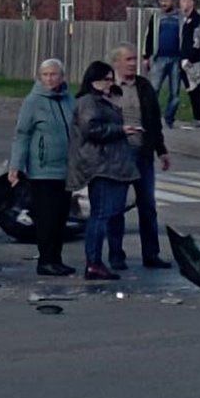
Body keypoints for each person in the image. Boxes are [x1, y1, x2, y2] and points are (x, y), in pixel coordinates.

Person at [66, 60, 140, 281]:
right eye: (106, 79)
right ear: (94, 80)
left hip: (110, 164)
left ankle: (98, 261)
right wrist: (121, 129)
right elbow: (92, 128)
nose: (110, 83)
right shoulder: (88, 101)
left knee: (108, 213)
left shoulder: (102, 99)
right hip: (102, 166)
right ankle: (94, 262)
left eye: (111, 79)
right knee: (100, 215)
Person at [7, 58, 77, 276]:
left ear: (62, 77)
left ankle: (56, 258)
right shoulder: (33, 101)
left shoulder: (68, 100)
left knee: (60, 216)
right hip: (42, 169)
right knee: (46, 218)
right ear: (39, 77)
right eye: (45, 75)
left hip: (66, 170)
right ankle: (45, 261)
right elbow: (22, 135)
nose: (49, 79)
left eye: (54, 74)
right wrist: (15, 166)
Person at [109, 43, 173, 269]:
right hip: (118, 155)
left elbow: (154, 120)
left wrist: (161, 149)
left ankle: (151, 254)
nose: (132, 63)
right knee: (116, 207)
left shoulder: (144, 86)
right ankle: (116, 254)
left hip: (142, 153)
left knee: (147, 205)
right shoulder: (108, 87)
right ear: (116, 63)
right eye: (127, 59)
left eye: (134, 59)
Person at [143, 0, 182, 129]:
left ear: (173, 1)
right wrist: (146, 56)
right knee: (154, 90)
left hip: (176, 59)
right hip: (159, 58)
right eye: (162, 1)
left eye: (166, 1)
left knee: (175, 93)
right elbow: (148, 37)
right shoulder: (156, 17)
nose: (163, 3)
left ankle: (169, 118)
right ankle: (150, 117)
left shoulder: (180, 18)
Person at [178, 0, 200, 129]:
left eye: (185, 1)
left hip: (193, 61)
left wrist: (190, 57)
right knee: (190, 89)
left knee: (195, 88)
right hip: (183, 59)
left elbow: (197, 40)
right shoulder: (184, 20)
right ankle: (196, 117)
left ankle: (199, 118)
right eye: (181, 1)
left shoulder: (196, 19)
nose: (182, 4)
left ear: (192, 3)